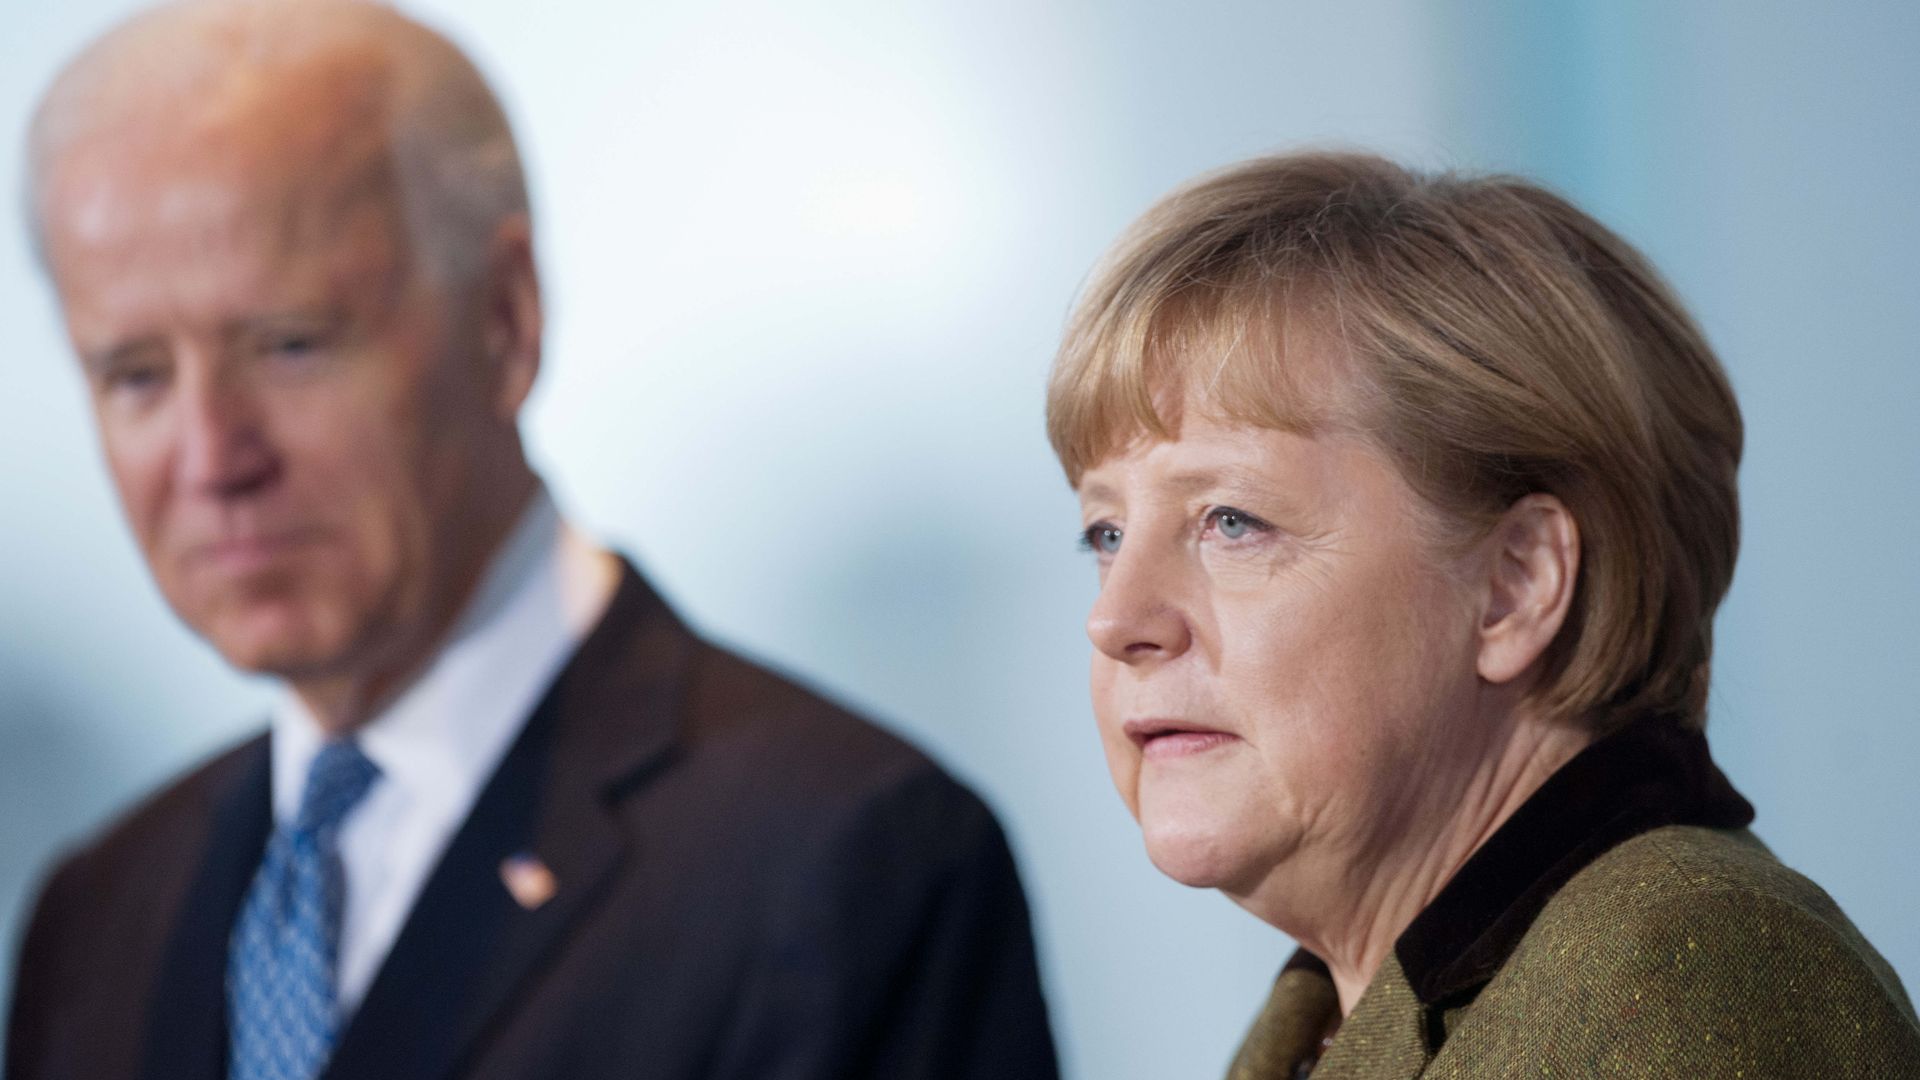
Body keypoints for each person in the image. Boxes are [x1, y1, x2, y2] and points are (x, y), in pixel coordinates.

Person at [6, 3, 1058, 1079]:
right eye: (135, 376)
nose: (213, 457)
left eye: (290, 346)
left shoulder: (852, 865)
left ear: (505, 319)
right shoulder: (95, 919)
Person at [1047, 150, 1920, 1078]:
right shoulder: (1323, 1022)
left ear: (1515, 584)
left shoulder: (1682, 981)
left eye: (1232, 521)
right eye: (1104, 533)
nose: (1116, 619)